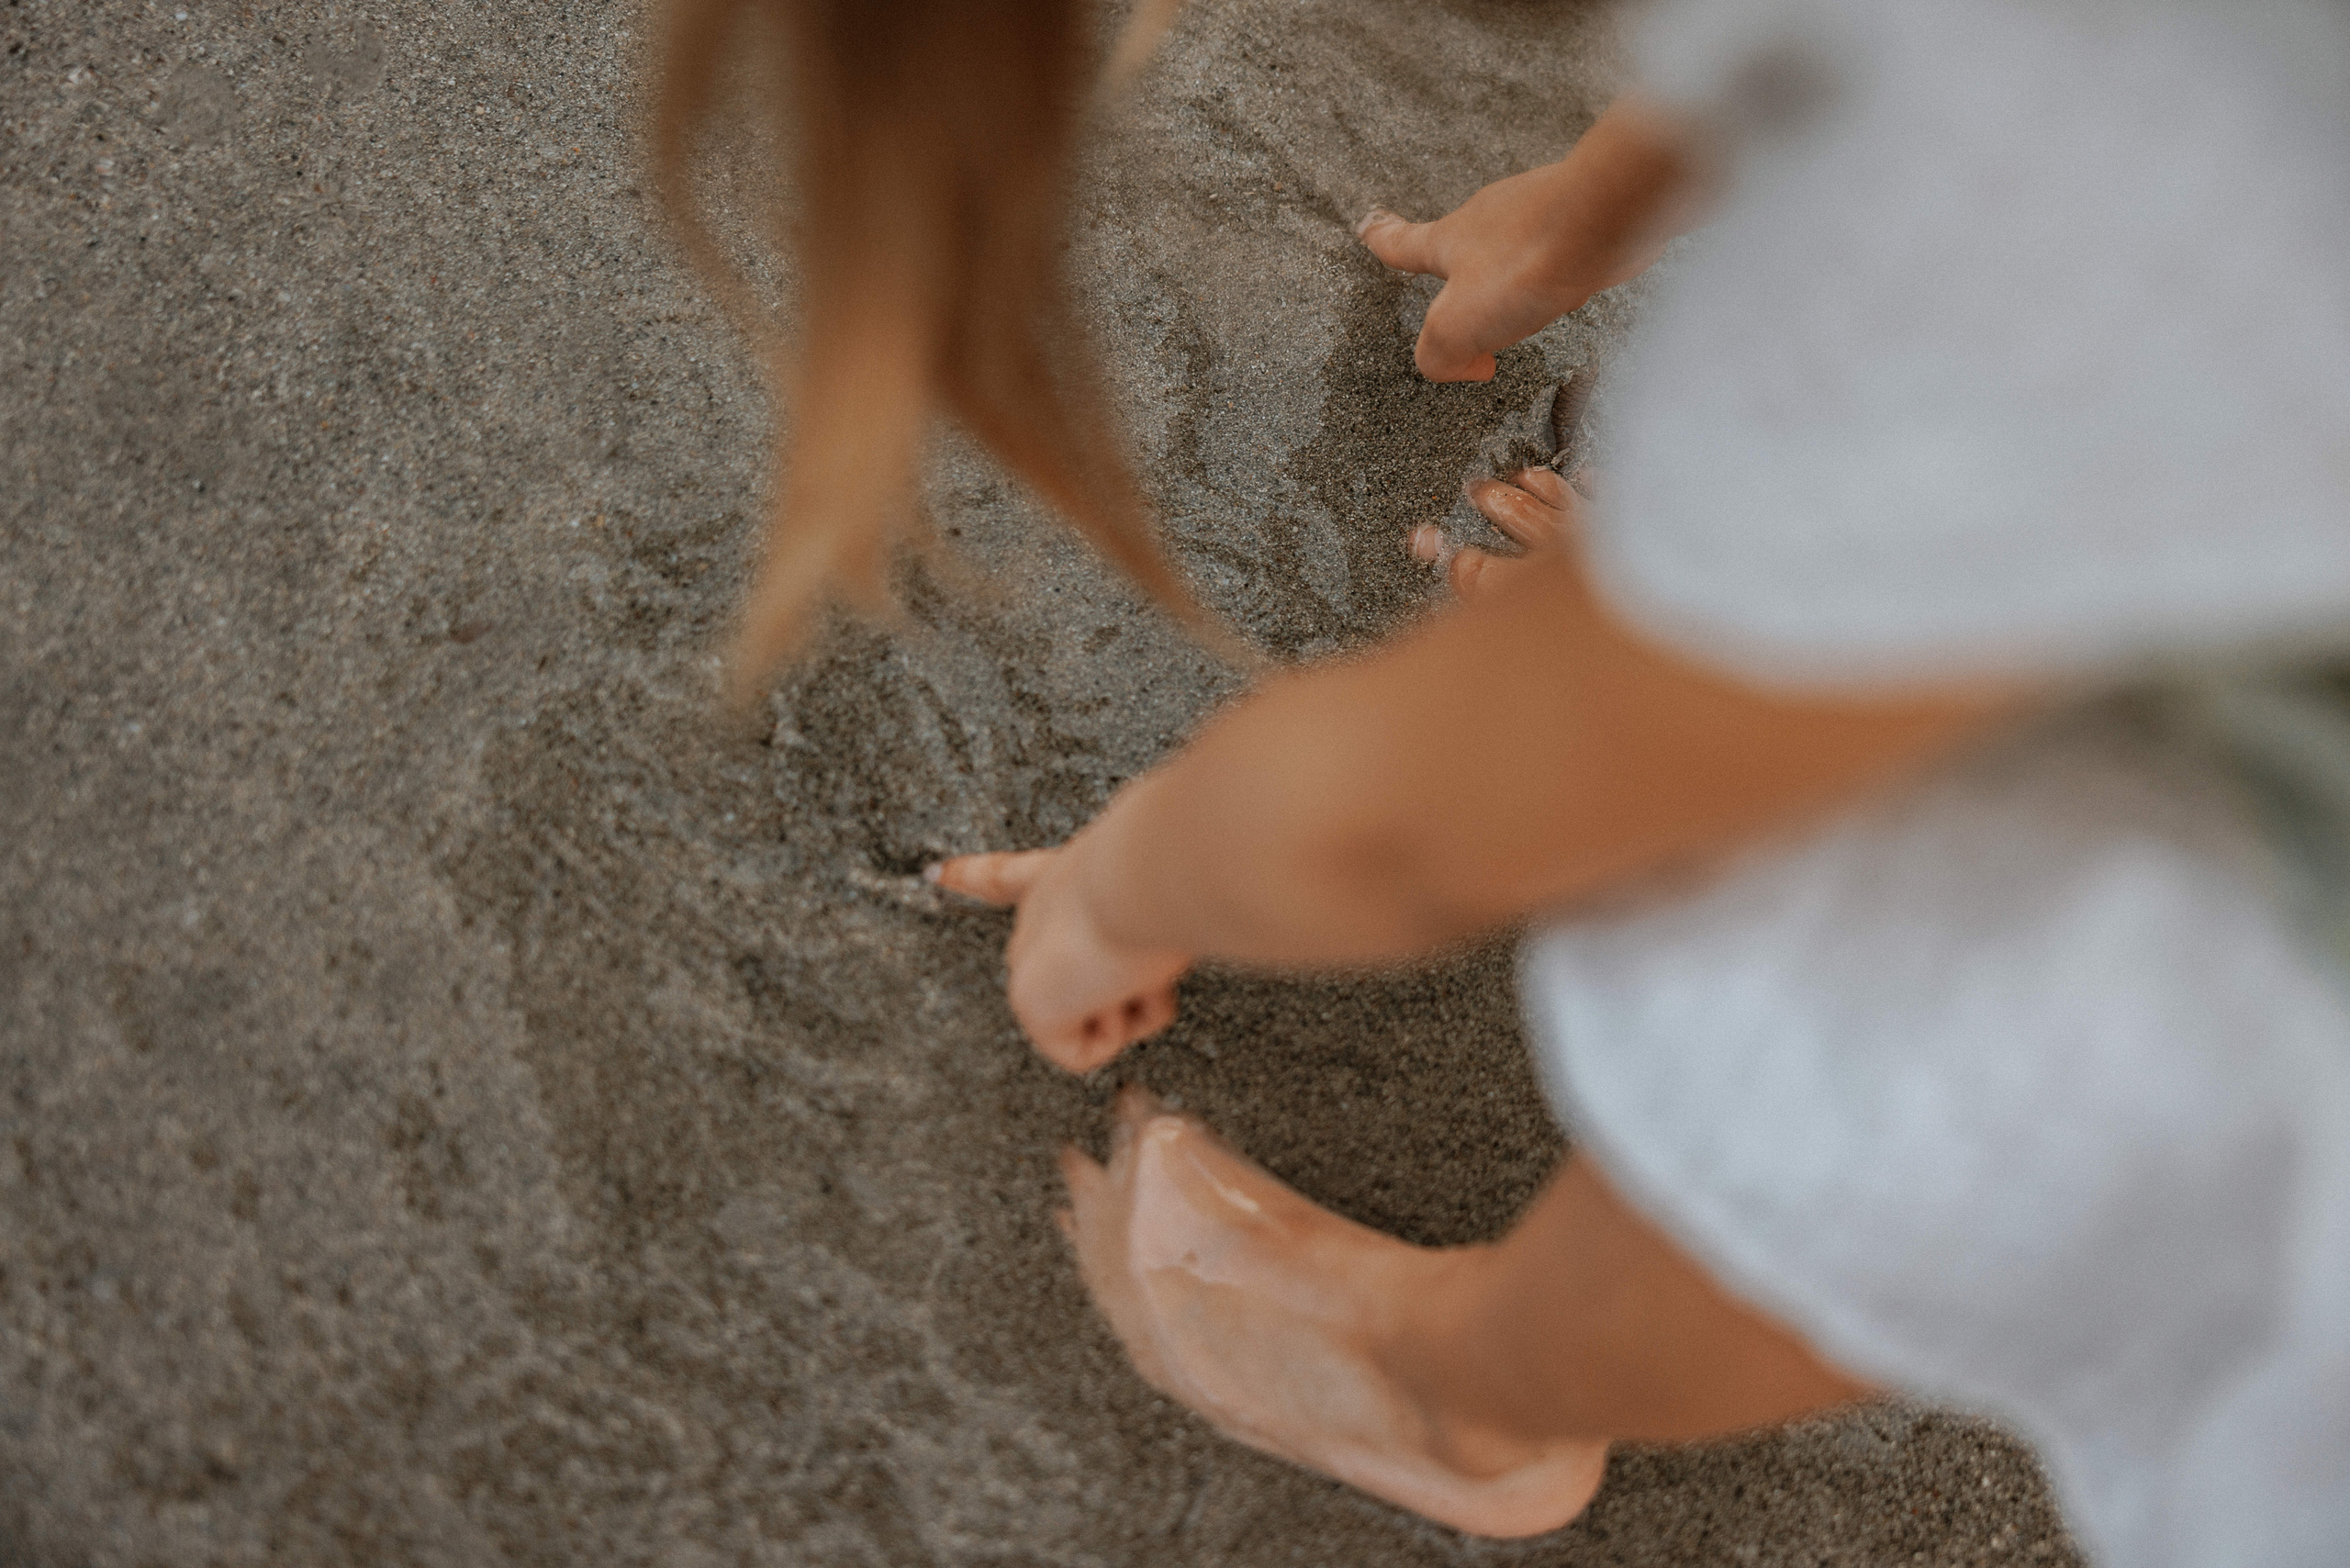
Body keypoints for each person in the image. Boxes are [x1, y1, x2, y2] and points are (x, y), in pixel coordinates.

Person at [658, 0, 2350, 1560]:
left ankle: (1465, 1399)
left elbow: (1401, 822)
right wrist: (1581, 220)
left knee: (1994, 1049)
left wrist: (1129, 880)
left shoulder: (2138, 207)